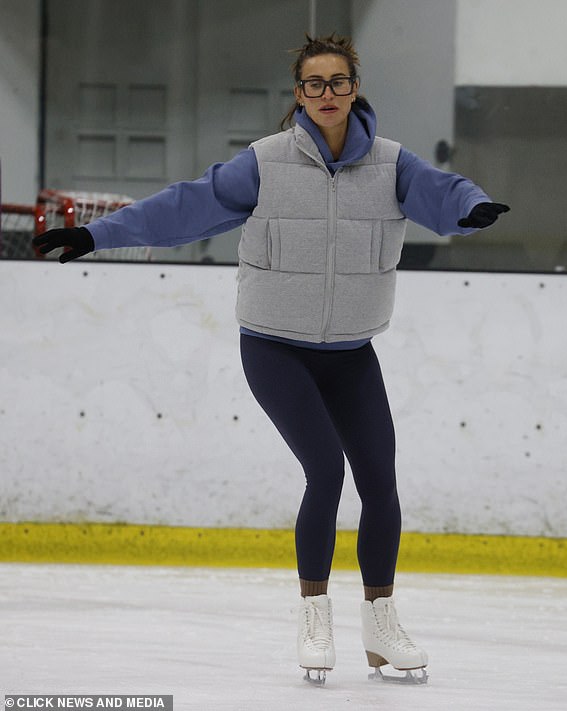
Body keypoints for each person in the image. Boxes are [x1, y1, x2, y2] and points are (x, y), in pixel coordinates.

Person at [34, 33, 509, 685]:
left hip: (351, 351)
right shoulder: (264, 163)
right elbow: (183, 208)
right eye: (313, 84)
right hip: (274, 347)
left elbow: (444, 192)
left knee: (381, 480)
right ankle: (315, 612)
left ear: (354, 88)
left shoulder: (393, 166)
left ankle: (381, 620)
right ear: (299, 94)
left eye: (338, 82)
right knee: (326, 468)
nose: (327, 95)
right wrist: (95, 232)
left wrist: (470, 209)